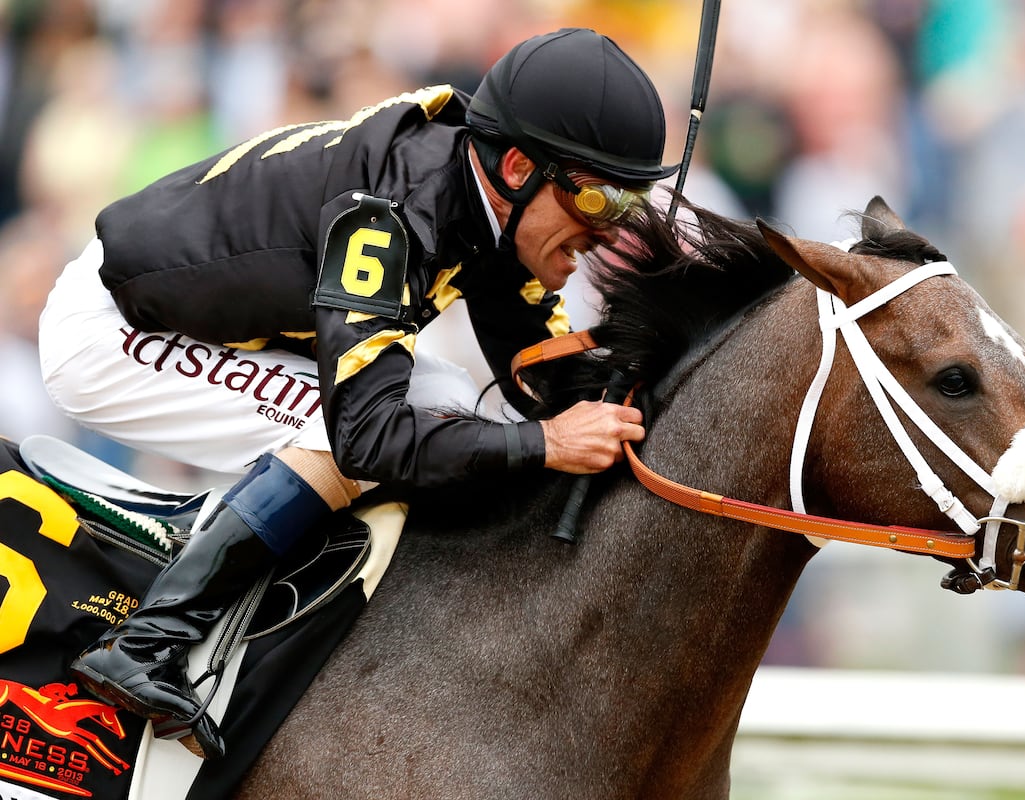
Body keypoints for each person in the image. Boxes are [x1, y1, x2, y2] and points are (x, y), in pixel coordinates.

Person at [38, 28, 672, 760]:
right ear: (522, 165)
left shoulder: (486, 192)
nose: (607, 232)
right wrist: (548, 445)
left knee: (446, 394)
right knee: (338, 430)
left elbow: (540, 373)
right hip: (112, 330)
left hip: (210, 319)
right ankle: (146, 644)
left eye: (628, 206)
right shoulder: (393, 212)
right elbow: (367, 438)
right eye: (598, 199)